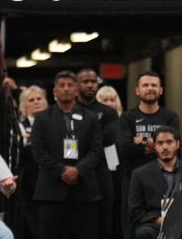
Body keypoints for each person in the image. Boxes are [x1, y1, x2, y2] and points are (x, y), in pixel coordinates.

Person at [30, 71, 103, 239]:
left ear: (76, 90)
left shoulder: (91, 118)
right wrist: (62, 170)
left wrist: (78, 170)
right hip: (51, 190)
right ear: (54, 91)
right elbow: (38, 151)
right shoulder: (42, 118)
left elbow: (96, 150)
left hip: (84, 191)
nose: (66, 89)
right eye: (61, 86)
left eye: (70, 85)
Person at [120, 71, 181, 239]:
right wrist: (155, 144)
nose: (150, 88)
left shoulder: (170, 116)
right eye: (145, 85)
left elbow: (176, 146)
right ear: (137, 90)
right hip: (133, 179)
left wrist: (141, 140)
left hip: (164, 178)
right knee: (132, 227)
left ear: (161, 90)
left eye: (154, 85)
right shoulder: (127, 117)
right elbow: (125, 148)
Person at [128, 126, 182, 239]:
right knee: (143, 232)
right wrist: (160, 220)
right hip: (155, 225)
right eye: (160, 143)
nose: (165, 147)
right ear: (154, 146)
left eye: (169, 142)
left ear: (178, 144)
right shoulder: (140, 174)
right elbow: (135, 212)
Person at [77, 68, 119, 239]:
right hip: (75, 173)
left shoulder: (108, 112)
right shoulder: (67, 110)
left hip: (101, 173)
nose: (90, 85)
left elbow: (109, 138)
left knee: (103, 224)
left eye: (93, 82)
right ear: (76, 85)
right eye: (85, 82)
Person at [16, 86, 47, 239]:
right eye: (31, 100)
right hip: (31, 182)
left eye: (39, 99)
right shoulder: (18, 127)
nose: (36, 102)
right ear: (24, 105)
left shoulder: (56, 122)